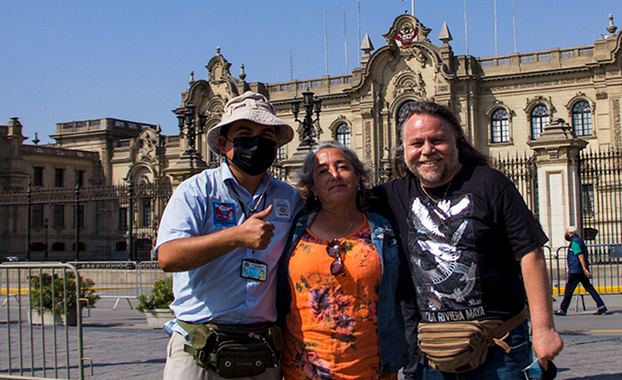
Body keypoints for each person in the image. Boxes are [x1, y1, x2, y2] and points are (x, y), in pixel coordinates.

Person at [371, 100, 562, 380]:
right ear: (404, 151)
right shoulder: (393, 195)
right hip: (435, 352)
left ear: (456, 142)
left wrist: (544, 329)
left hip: (499, 345)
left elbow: (530, 254)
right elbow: (341, 202)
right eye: (416, 143)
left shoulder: (490, 183)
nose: (427, 151)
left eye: (437, 140)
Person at [155, 91, 303, 380]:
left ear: (276, 147)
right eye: (245, 132)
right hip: (200, 351)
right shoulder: (195, 191)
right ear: (223, 144)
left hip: (262, 351)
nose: (257, 141)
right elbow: (167, 256)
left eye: (267, 135)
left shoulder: (289, 199)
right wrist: (235, 236)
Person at [276, 141, 409, 380]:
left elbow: (405, 292)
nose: (334, 175)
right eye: (322, 171)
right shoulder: (293, 230)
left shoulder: (383, 232)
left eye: (342, 167)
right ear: (312, 188)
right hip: (303, 371)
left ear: (358, 178)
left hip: (369, 370)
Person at [554, 226, 607, 316]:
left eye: (567, 233)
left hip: (576, 271)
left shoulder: (575, 243)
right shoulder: (579, 240)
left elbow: (580, 256)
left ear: (571, 234)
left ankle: (563, 309)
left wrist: (584, 268)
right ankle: (601, 305)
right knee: (589, 288)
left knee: (569, 290)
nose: (566, 234)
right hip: (577, 269)